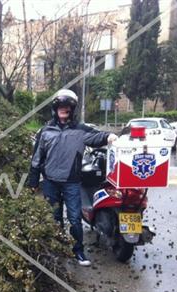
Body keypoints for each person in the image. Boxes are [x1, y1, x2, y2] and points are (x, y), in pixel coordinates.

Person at [28, 89, 118, 266]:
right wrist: (33, 181)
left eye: (67, 107)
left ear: (72, 109)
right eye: (60, 107)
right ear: (55, 109)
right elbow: (36, 158)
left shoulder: (81, 130)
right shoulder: (45, 131)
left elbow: (97, 136)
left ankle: (78, 251)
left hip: (71, 183)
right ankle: (57, 249)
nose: (64, 110)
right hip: (50, 182)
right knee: (54, 218)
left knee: (75, 218)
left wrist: (110, 137)